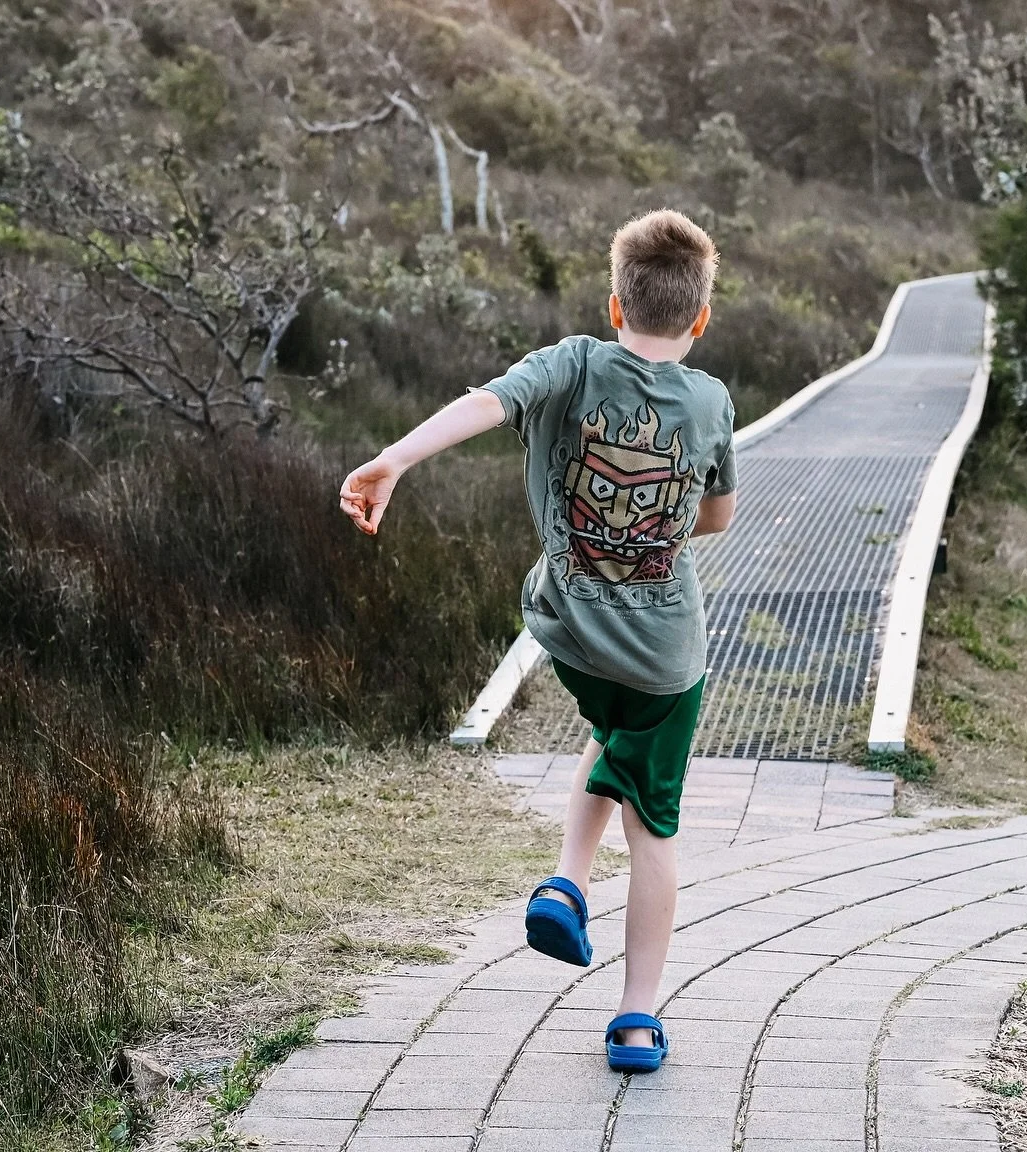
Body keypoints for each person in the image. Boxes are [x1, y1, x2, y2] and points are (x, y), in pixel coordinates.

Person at [339, 209, 738, 1073]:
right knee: (655, 831)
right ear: (699, 319)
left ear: (613, 303)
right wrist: (653, 532)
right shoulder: (709, 401)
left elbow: (485, 405)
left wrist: (395, 460)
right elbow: (717, 515)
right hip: (666, 657)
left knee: (610, 732)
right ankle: (636, 1019)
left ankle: (565, 879)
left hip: (569, 636)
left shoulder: (572, 364)